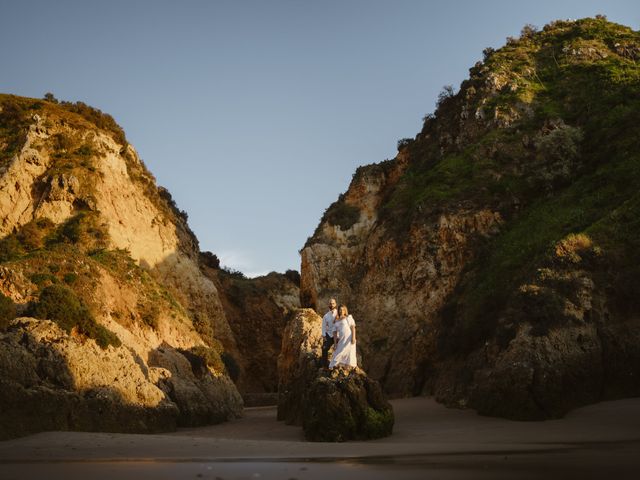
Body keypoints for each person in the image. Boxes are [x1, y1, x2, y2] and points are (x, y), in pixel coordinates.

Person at [329, 304, 357, 369]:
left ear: (345, 311)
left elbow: (353, 327)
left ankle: (347, 367)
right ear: (338, 311)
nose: (341, 311)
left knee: (349, 352)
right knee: (339, 351)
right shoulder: (336, 320)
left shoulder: (348, 317)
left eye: (343, 310)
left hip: (349, 338)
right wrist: (335, 343)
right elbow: (334, 333)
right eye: (340, 310)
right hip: (342, 339)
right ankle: (334, 365)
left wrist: (353, 337)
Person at [320, 298, 337, 368]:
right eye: (330, 303)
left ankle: (336, 364)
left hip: (337, 335)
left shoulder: (339, 313)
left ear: (335, 304)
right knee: (324, 348)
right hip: (329, 335)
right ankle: (325, 365)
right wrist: (324, 336)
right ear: (328, 305)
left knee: (338, 349)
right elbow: (323, 327)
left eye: (333, 303)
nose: (332, 305)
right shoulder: (326, 316)